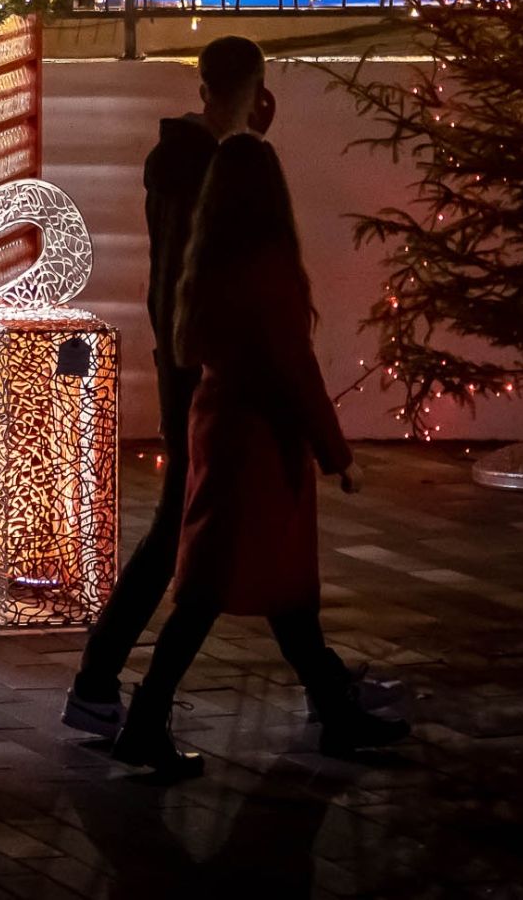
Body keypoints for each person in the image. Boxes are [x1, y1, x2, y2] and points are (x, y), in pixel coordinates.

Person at [110, 133, 411, 778]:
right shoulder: (269, 260)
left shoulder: (206, 258)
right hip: (261, 442)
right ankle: (147, 723)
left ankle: (333, 711)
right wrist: (336, 455)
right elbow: (293, 366)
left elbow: (194, 349)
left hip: (221, 426)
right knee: (222, 591)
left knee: (278, 590)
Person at [62, 34, 275, 739]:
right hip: (205, 366)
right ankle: (102, 682)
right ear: (256, 85)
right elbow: (207, 271)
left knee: (205, 521)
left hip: (184, 357)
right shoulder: (209, 168)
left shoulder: (180, 162)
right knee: (195, 526)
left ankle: (102, 682)